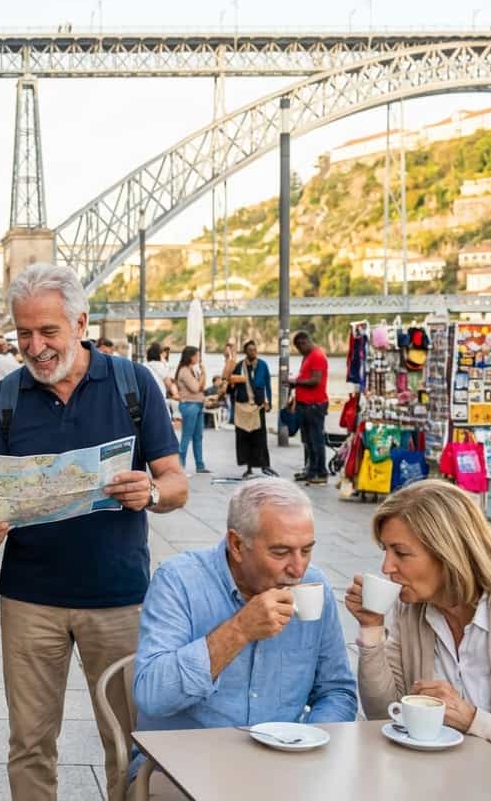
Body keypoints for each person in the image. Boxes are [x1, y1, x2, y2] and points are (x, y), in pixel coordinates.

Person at [0, 263, 188, 801]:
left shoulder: (133, 384)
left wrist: (151, 493)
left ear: (80, 322)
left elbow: (177, 483)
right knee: (30, 742)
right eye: (23, 333)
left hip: (119, 599)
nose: (35, 346)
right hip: (30, 599)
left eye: (48, 331)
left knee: (128, 742)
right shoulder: (4, 399)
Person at [132, 478, 356, 794]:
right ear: (237, 545)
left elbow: (337, 691)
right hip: (181, 765)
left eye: (306, 550)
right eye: (281, 552)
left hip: (284, 767)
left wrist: (306, 740)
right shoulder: (179, 581)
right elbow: (152, 696)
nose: (298, 568)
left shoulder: (314, 587)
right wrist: (238, 630)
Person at [347, 479, 491, 752]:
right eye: (385, 551)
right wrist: (371, 629)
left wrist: (473, 721)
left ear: (448, 553)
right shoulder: (410, 609)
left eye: (401, 553)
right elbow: (383, 714)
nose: (387, 567)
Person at [226, 340, 275, 478]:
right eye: (249, 350)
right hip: (242, 407)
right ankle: (248, 467)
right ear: (245, 351)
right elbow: (230, 386)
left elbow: (268, 385)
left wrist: (269, 402)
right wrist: (231, 381)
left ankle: (265, 466)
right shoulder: (239, 366)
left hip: (258, 407)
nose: (252, 352)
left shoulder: (263, 365)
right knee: (244, 438)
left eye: (254, 349)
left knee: (260, 438)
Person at [287, 330, 329, 485]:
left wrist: (296, 382)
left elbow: (315, 380)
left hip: (315, 405)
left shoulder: (317, 356)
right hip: (305, 404)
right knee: (308, 440)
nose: (299, 351)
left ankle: (321, 472)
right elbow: (305, 377)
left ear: (304, 342)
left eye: (299, 347)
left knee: (316, 439)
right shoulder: (307, 357)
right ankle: (311, 470)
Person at [174, 346, 209, 474]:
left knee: (198, 437)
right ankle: (180, 466)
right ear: (191, 357)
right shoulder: (184, 371)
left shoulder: (193, 370)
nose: (198, 358)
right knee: (186, 437)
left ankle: (200, 465)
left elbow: (202, 386)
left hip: (198, 405)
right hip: (190, 406)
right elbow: (195, 388)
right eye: (197, 355)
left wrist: (203, 374)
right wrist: (203, 375)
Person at [145, 343, 180, 426]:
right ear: (159, 355)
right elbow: (169, 383)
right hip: (159, 397)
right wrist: (175, 394)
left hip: (147, 398)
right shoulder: (161, 366)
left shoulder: (144, 365)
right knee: (163, 423)